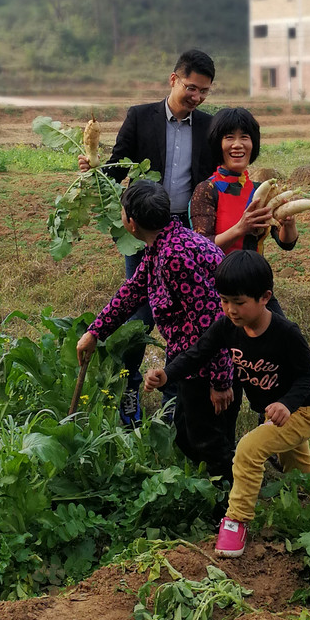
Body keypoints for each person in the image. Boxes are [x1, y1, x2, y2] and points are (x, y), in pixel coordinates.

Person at [143, 250, 310, 558]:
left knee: (248, 449)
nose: (230, 309)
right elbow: (198, 353)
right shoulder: (228, 326)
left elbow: (308, 376)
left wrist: (285, 403)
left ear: (265, 297)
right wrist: (167, 374)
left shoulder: (286, 333)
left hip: (301, 412)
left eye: (239, 302)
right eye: (224, 300)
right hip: (275, 415)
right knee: (300, 466)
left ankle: (236, 521)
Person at [78, 49, 216, 424]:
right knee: (138, 313)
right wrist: (93, 171)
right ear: (173, 79)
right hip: (144, 228)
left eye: (204, 92)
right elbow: (118, 165)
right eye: (192, 88)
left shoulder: (208, 126)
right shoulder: (141, 117)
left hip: (186, 230)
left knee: (187, 315)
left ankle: (175, 400)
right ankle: (128, 391)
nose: (197, 97)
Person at [75, 179, 240, 487]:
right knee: (186, 432)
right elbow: (132, 292)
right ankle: (222, 486)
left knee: (207, 440)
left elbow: (213, 322)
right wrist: (95, 331)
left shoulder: (175, 256)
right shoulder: (162, 245)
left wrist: (220, 381)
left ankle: (233, 499)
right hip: (191, 360)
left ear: (131, 223)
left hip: (209, 363)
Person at [189, 107, 300, 258]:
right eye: (229, 137)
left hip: (255, 276)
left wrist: (289, 223)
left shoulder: (260, 190)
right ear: (217, 144)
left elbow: (286, 243)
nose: (237, 144)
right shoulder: (207, 189)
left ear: (253, 144)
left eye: (244, 137)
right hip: (218, 278)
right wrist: (241, 228)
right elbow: (201, 248)